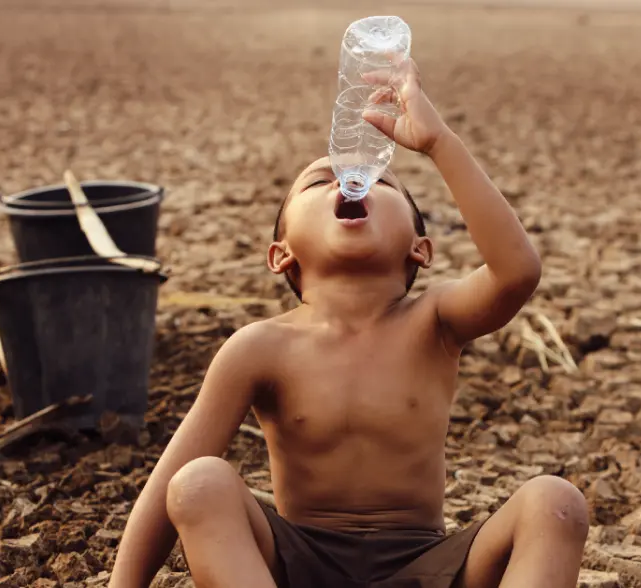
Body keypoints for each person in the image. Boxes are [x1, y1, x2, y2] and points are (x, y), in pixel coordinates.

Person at [107, 57, 589, 588]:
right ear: (280, 253)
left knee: (554, 501)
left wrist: (437, 144)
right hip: (299, 564)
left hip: (426, 565)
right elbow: (168, 485)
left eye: (380, 179)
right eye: (320, 181)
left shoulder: (435, 321)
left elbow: (517, 272)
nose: (352, 179)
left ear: (420, 248)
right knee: (198, 483)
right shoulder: (259, 348)